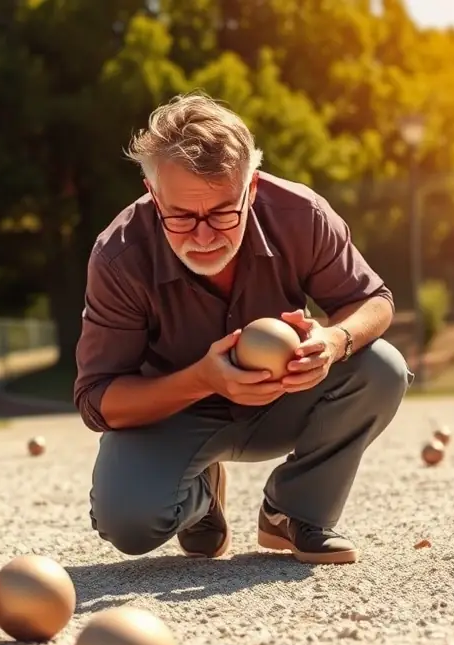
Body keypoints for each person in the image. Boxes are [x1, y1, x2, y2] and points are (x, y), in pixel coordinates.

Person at [74, 91, 412, 566]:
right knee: (127, 522)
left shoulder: (301, 214)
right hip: (173, 410)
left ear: (251, 187)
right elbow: (97, 400)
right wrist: (202, 379)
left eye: (222, 212)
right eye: (182, 217)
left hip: (284, 399)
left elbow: (373, 301)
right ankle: (201, 500)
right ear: (153, 195)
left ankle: (294, 512)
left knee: (382, 367)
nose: (205, 235)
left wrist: (333, 342)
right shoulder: (119, 255)